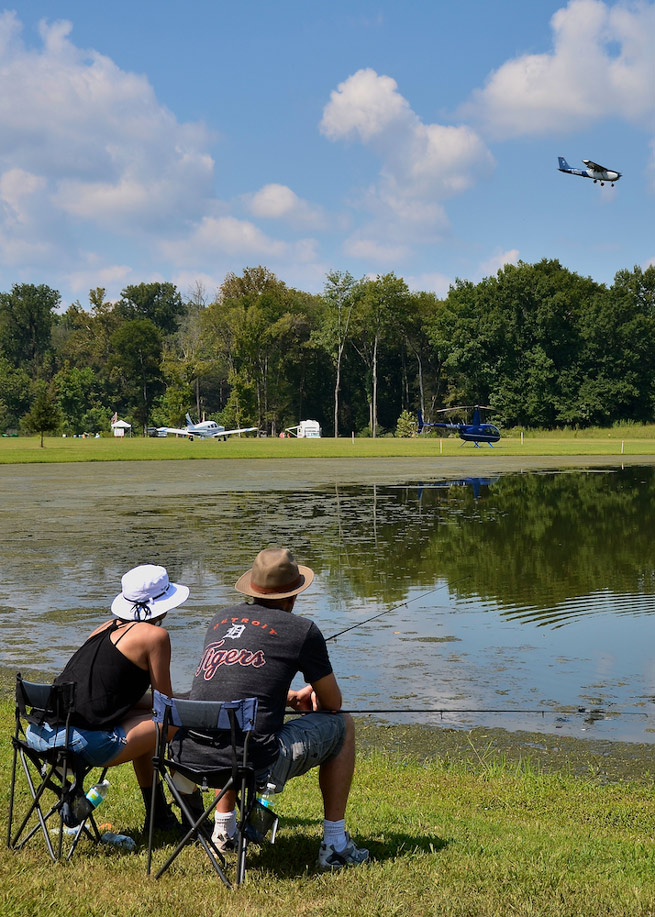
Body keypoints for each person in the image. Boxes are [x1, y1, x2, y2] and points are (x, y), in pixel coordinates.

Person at [175, 547, 369, 870]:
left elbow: (233, 686)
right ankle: (335, 844)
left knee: (231, 725)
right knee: (344, 726)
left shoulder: (220, 619)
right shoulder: (303, 630)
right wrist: (311, 696)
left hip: (192, 756)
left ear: (252, 589)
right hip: (255, 762)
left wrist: (290, 697)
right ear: (293, 597)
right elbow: (333, 703)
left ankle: (224, 830)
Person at [26, 563, 188, 831]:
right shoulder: (155, 636)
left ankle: (159, 816)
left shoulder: (104, 628)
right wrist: (186, 701)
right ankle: (191, 820)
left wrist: (180, 697)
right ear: (163, 604)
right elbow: (165, 706)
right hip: (79, 743)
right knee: (173, 722)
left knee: (150, 721)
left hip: (42, 734)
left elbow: (109, 697)